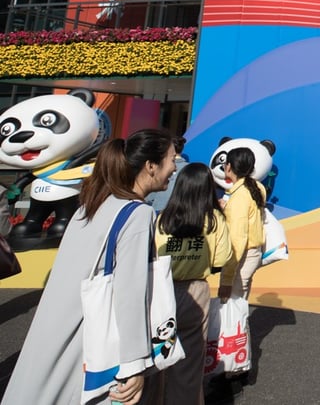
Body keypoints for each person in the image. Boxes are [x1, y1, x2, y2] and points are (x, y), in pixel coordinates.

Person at [2, 128, 178, 405]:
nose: (173, 168)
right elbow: (130, 293)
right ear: (151, 166)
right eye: (171, 159)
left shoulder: (90, 205)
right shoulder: (138, 213)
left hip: (56, 331)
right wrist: (134, 364)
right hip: (92, 342)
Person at [148, 163, 233, 405]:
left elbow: (154, 254)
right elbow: (222, 258)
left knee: (158, 355)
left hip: (162, 290)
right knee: (190, 361)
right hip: (197, 290)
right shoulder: (214, 219)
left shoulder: (163, 218)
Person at [214, 146, 266, 391]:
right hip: (252, 255)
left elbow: (236, 241)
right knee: (239, 309)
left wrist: (226, 277)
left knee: (234, 314)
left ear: (229, 168)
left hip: (242, 257)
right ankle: (236, 365)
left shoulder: (239, 197)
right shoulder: (255, 189)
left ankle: (235, 367)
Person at [147, 136, 188, 212]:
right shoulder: (189, 169)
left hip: (157, 208)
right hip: (177, 212)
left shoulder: (161, 166)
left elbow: (150, 196)